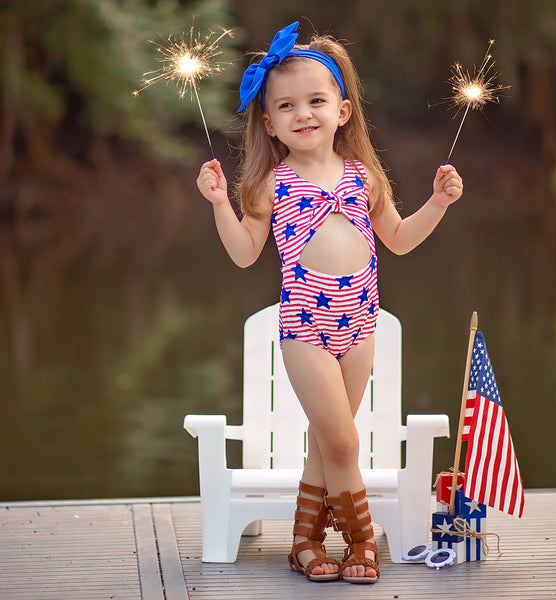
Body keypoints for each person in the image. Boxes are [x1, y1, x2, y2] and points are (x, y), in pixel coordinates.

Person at [196, 21, 463, 584]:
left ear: (343, 109)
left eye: (317, 100)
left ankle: (303, 543)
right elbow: (245, 253)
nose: (304, 113)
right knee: (343, 438)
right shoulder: (273, 183)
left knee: (326, 443)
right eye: (287, 106)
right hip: (305, 325)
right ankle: (363, 545)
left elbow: (397, 239)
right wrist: (221, 203)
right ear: (269, 123)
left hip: (360, 324)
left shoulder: (365, 177)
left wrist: (437, 204)